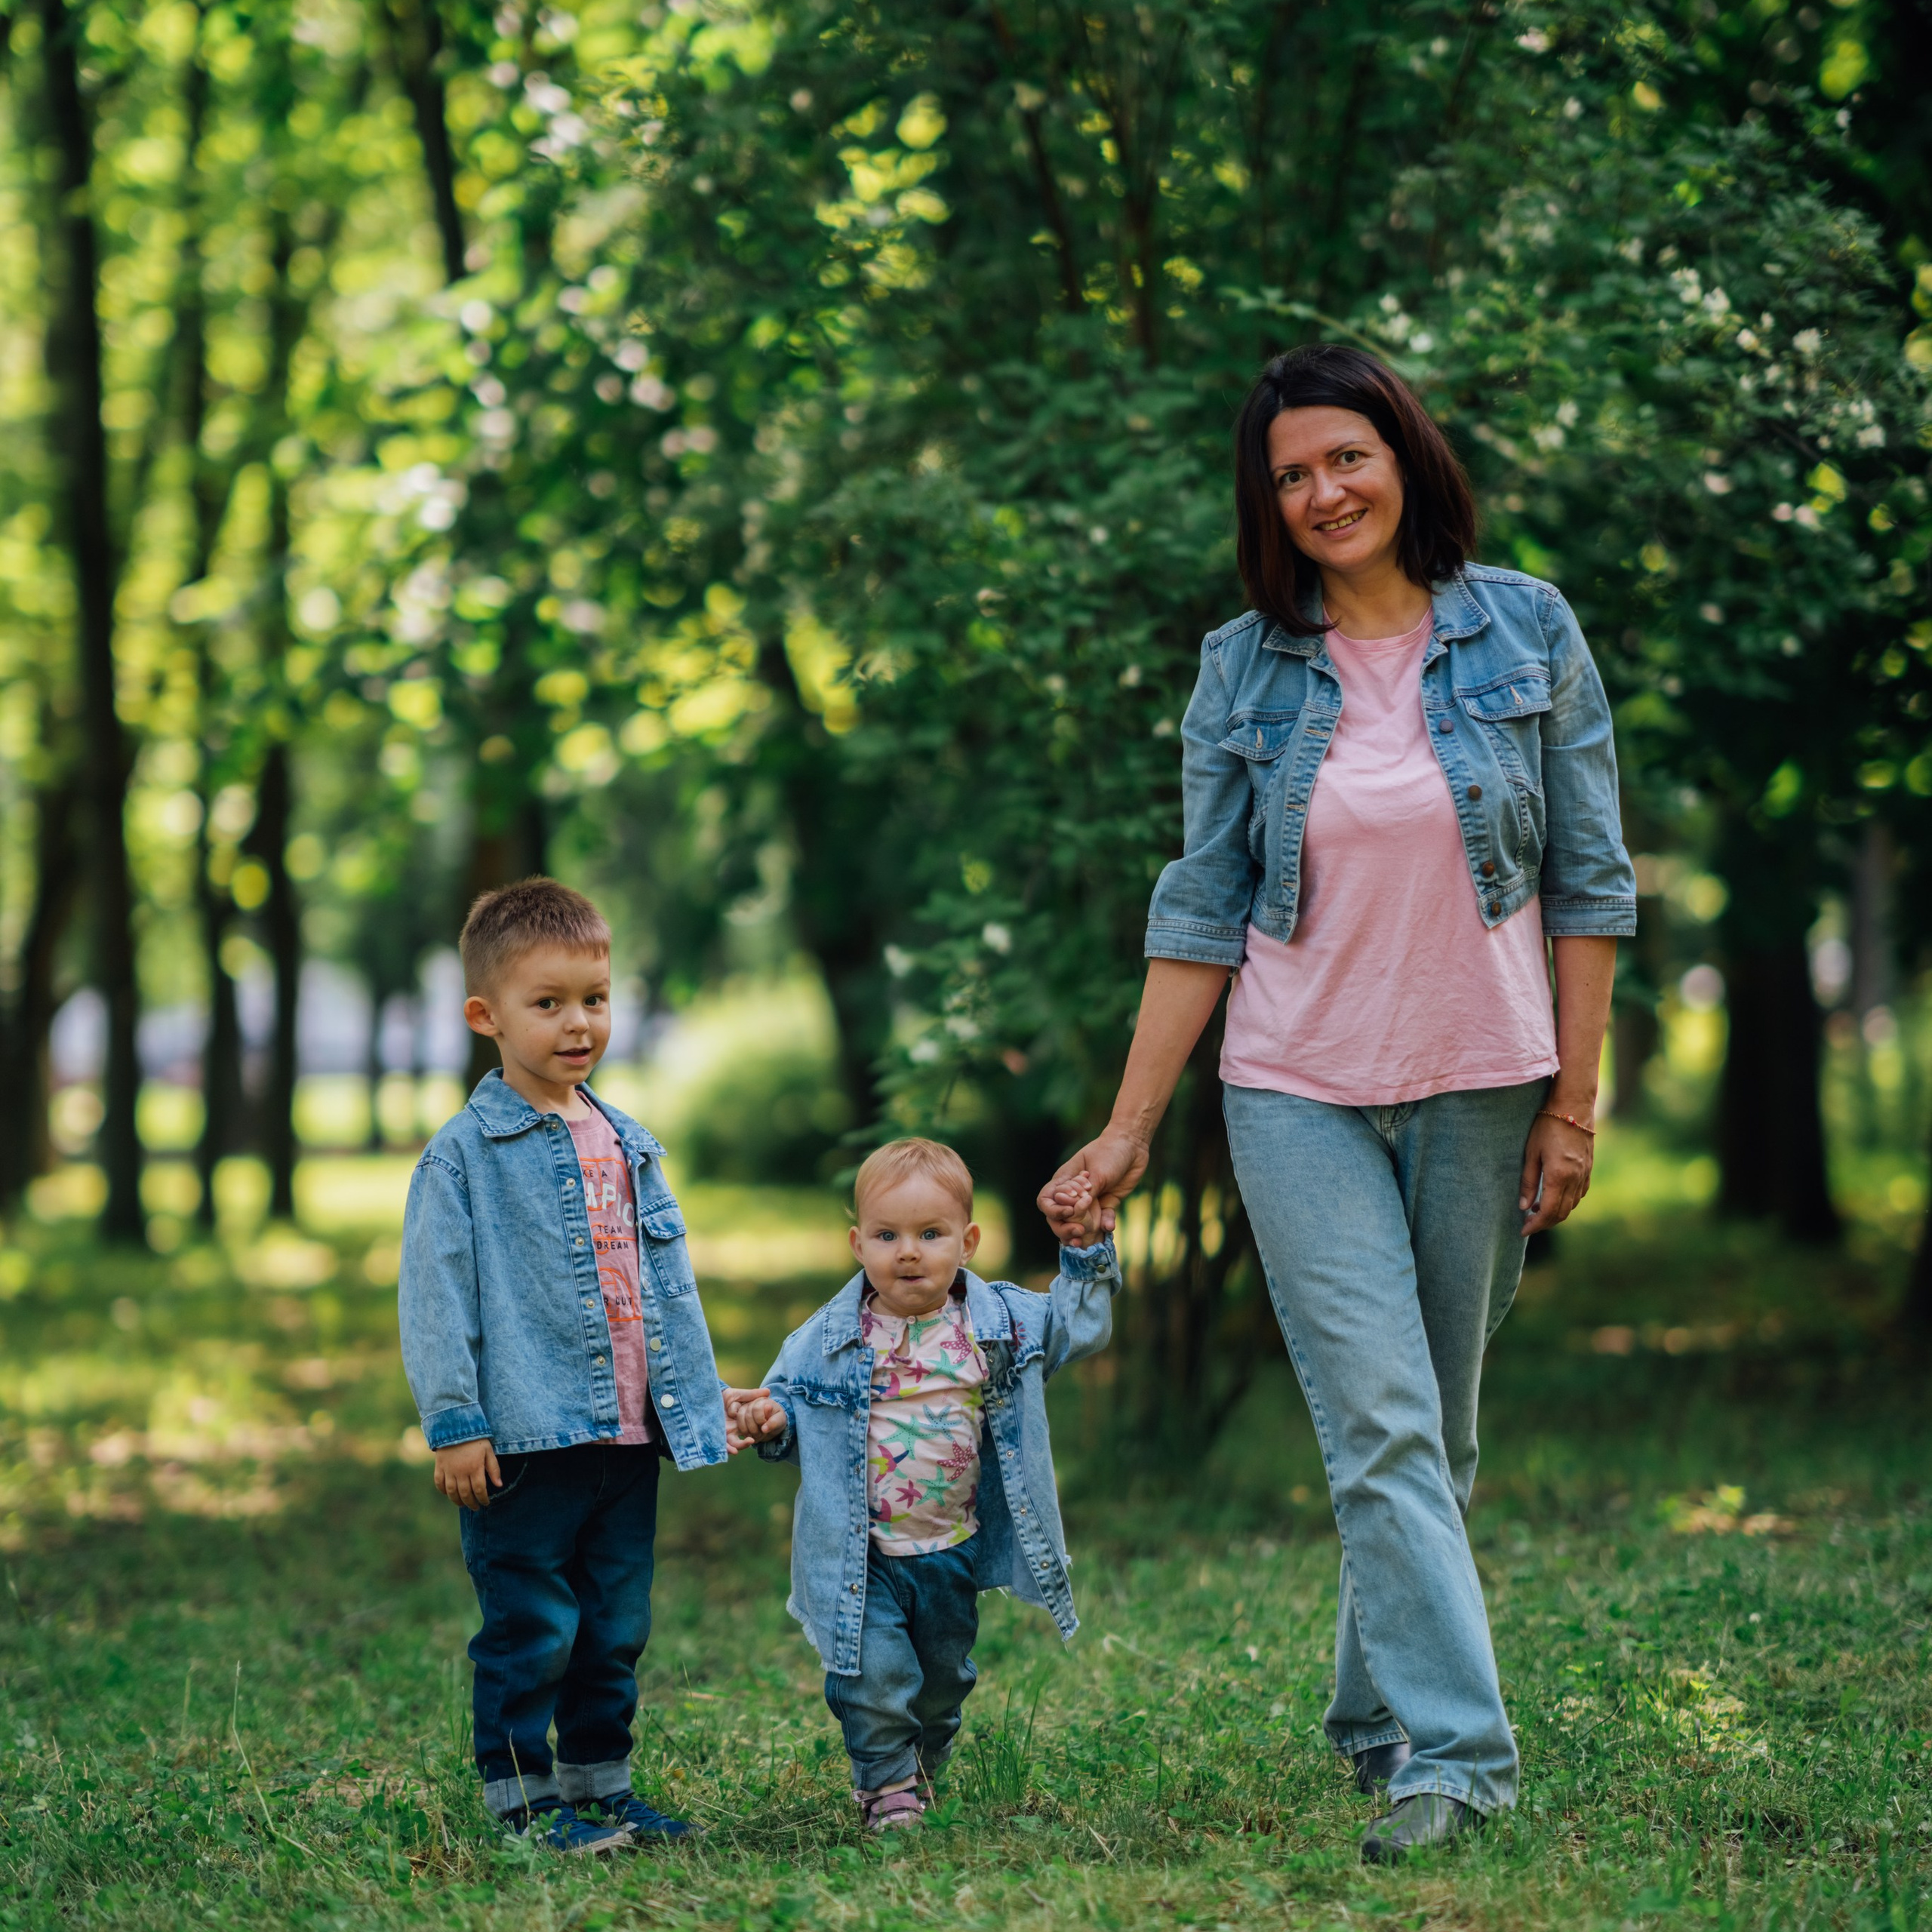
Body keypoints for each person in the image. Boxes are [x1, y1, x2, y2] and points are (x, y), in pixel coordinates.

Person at [1041, 343, 1635, 1864]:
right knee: (1375, 1420)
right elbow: (1201, 901)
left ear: (1401, 455)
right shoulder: (1242, 666)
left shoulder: (1524, 627)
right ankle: (1457, 1754)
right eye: (1288, 476)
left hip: (1483, 1083)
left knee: (1432, 1429)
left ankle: (1371, 1715)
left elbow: (1586, 882)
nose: (1319, 492)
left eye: (1342, 458)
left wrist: (1575, 1103)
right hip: (1294, 1087)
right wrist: (1126, 1126)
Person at [398, 878, 728, 1854]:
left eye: (594, 999)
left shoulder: (629, 1142)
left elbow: (664, 1291)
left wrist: (705, 1404)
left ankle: (600, 1781)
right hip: (526, 1438)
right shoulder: (461, 1159)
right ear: (485, 1016)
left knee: (614, 1626)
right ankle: (523, 1799)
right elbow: (435, 1300)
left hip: (626, 1437)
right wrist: (455, 1423)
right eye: (547, 1004)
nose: (577, 1024)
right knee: (533, 1623)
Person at [724, 1138, 1118, 1832]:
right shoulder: (826, 1339)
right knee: (874, 1675)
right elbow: (787, 1412)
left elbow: (1079, 1329)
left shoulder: (996, 1326)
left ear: (967, 1242)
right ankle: (885, 1785)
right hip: (864, 1556)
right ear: (857, 1244)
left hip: (951, 1549)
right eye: (887, 1235)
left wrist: (1084, 1254)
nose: (908, 1252)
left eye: (930, 1235)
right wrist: (770, 1420)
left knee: (941, 1682)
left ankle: (922, 1760)